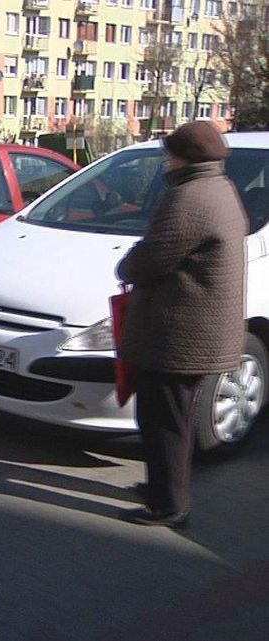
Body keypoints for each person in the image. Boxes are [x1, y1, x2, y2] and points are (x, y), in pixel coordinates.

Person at [116, 121, 247, 529]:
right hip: (194, 330)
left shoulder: (189, 198)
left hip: (178, 334)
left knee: (163, 421)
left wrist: (126, 263)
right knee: (170, 418)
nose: (165, 161)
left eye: (169, 153)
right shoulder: (219, 189)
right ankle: (162, 488)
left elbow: (151, 259)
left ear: (184, 158)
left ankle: (171, 507)